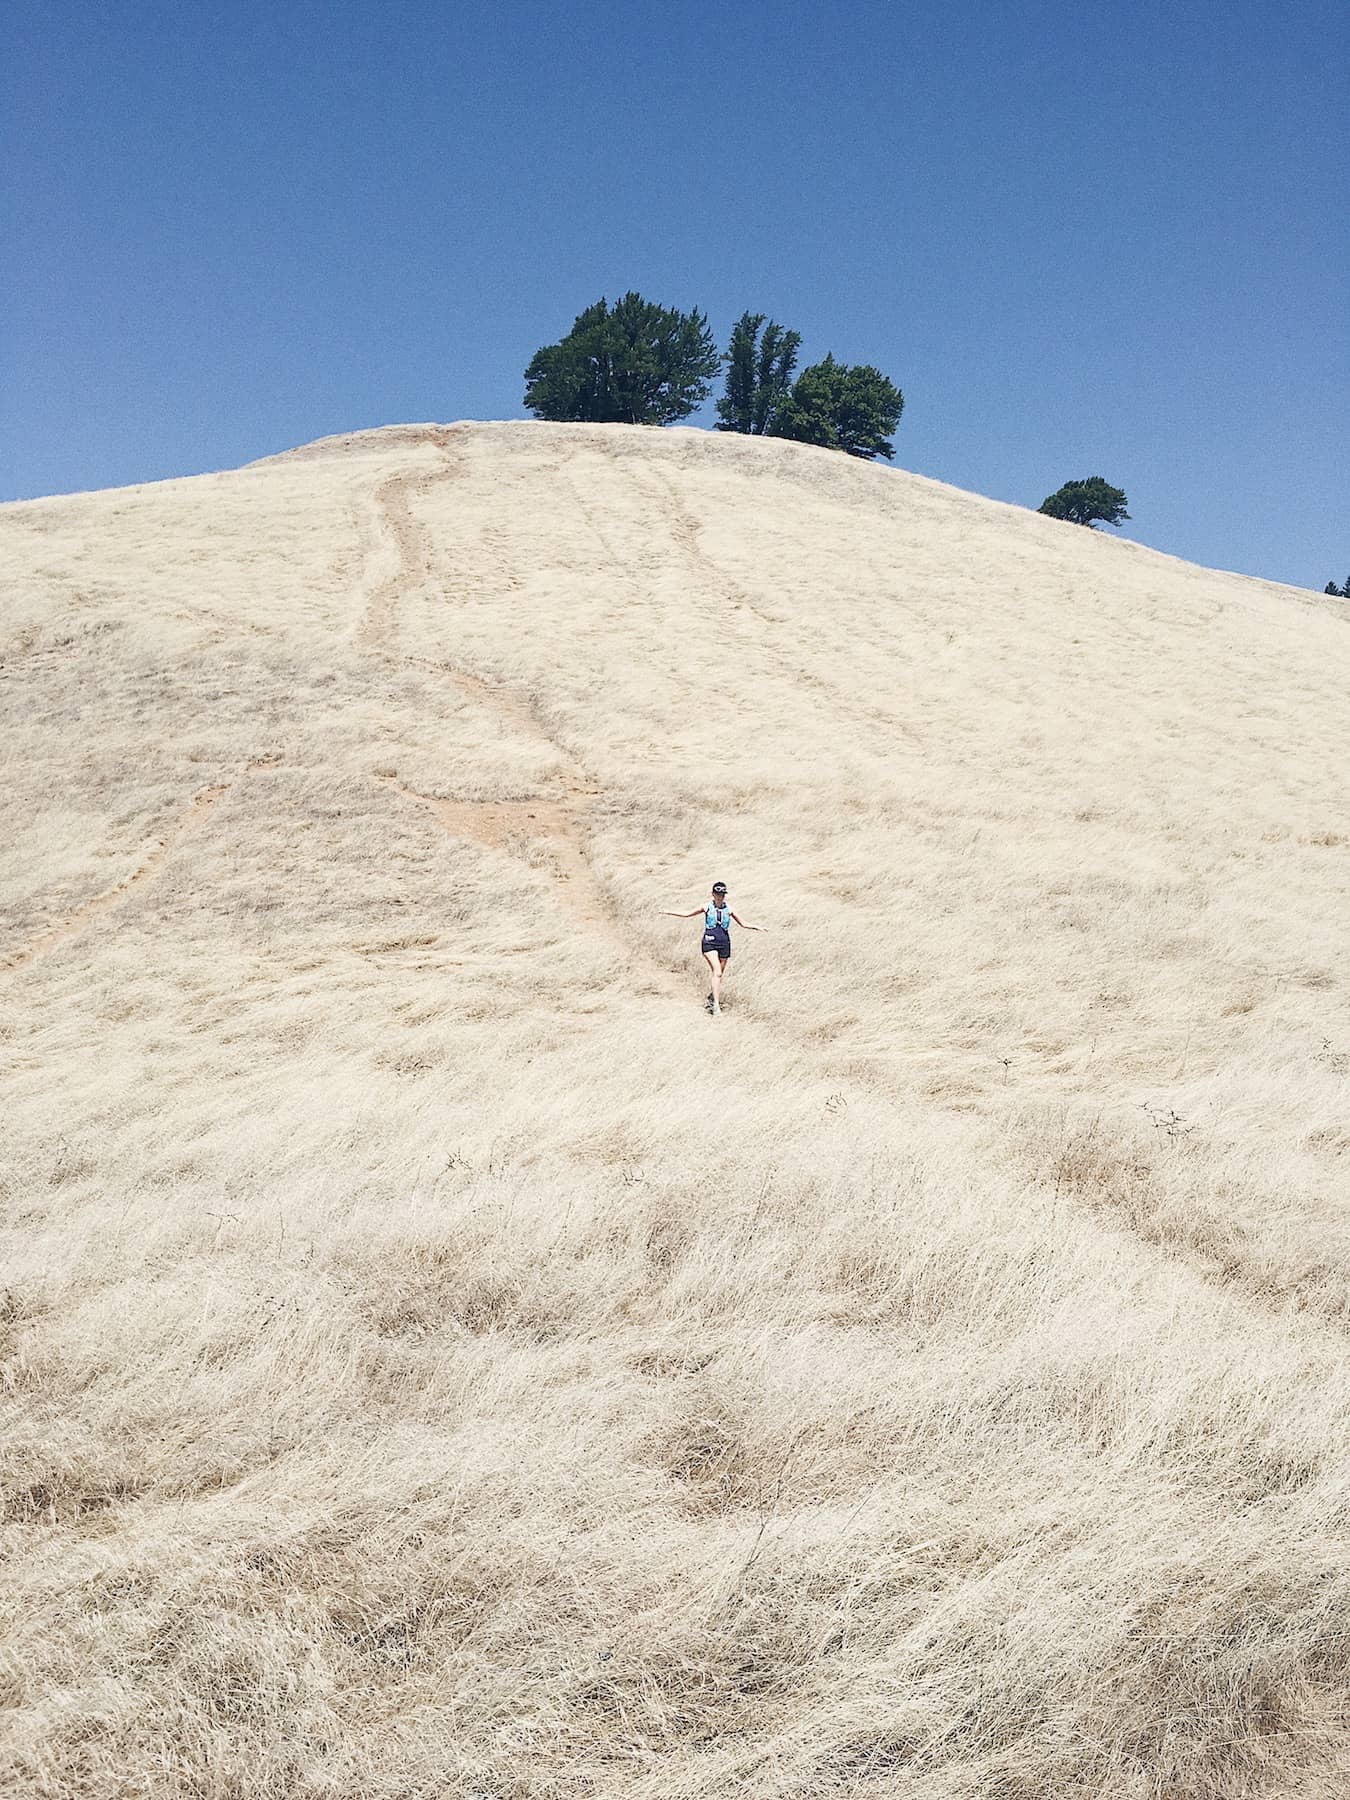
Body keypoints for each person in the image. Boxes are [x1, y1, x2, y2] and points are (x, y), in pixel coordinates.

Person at [660, 881, 767, 1015]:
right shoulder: (706, 906)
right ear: (713, 894)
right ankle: (716, 1006)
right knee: (717, 972)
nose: (720, 896)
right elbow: (687, 914)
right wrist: (668, 912)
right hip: (709, 942)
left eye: (722, 894)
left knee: (719, 974)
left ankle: (712, 997)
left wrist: (757, 927)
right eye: (717, 894)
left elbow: (743, 923)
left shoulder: (729, 908)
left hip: (724, 943)